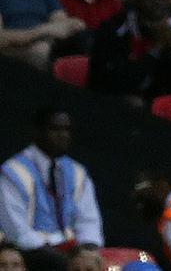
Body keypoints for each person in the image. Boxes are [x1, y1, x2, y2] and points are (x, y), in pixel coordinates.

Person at [0, 107, 103, 269]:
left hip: (72, 251)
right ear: (36, 132)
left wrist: (88, 251)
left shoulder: (77, 172)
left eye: (67, 130)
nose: (63, 135)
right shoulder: (13, 172)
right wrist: (66, 261)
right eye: (55, 129)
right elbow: (17, 232)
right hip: (31, 253)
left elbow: (88, 220)